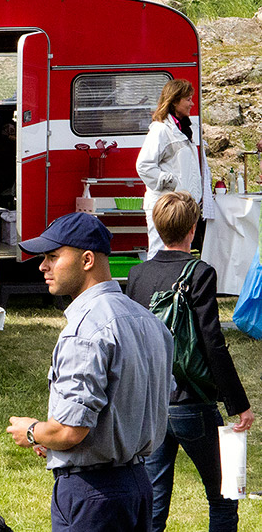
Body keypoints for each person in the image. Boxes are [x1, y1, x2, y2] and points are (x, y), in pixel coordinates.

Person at [6, 212, 173, 532]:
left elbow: (70, 432)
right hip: (139, 485)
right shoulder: (148, 320)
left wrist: (33, 432)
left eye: (53, 256)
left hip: (93, 493)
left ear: (86, 260)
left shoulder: (86, 329)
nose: (43, 266)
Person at [126, 191, 254, 532]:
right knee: (223, 497)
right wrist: (238, 403)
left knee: (153, 501)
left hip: (152, 404)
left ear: (156, 225)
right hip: (192, 402)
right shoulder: (200, 273)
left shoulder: (138, 275)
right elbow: (213, 343)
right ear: (193, 229)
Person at [136, 79, 208, 259]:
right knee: (159, 253)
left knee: (179, 254)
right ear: (175, 101)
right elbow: (143, 165)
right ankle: (154, 286)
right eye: (188, 99)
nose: (192, 103)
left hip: (181, 207)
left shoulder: (184, 129)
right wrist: (171, 182)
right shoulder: (160, 129)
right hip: (164, 206)